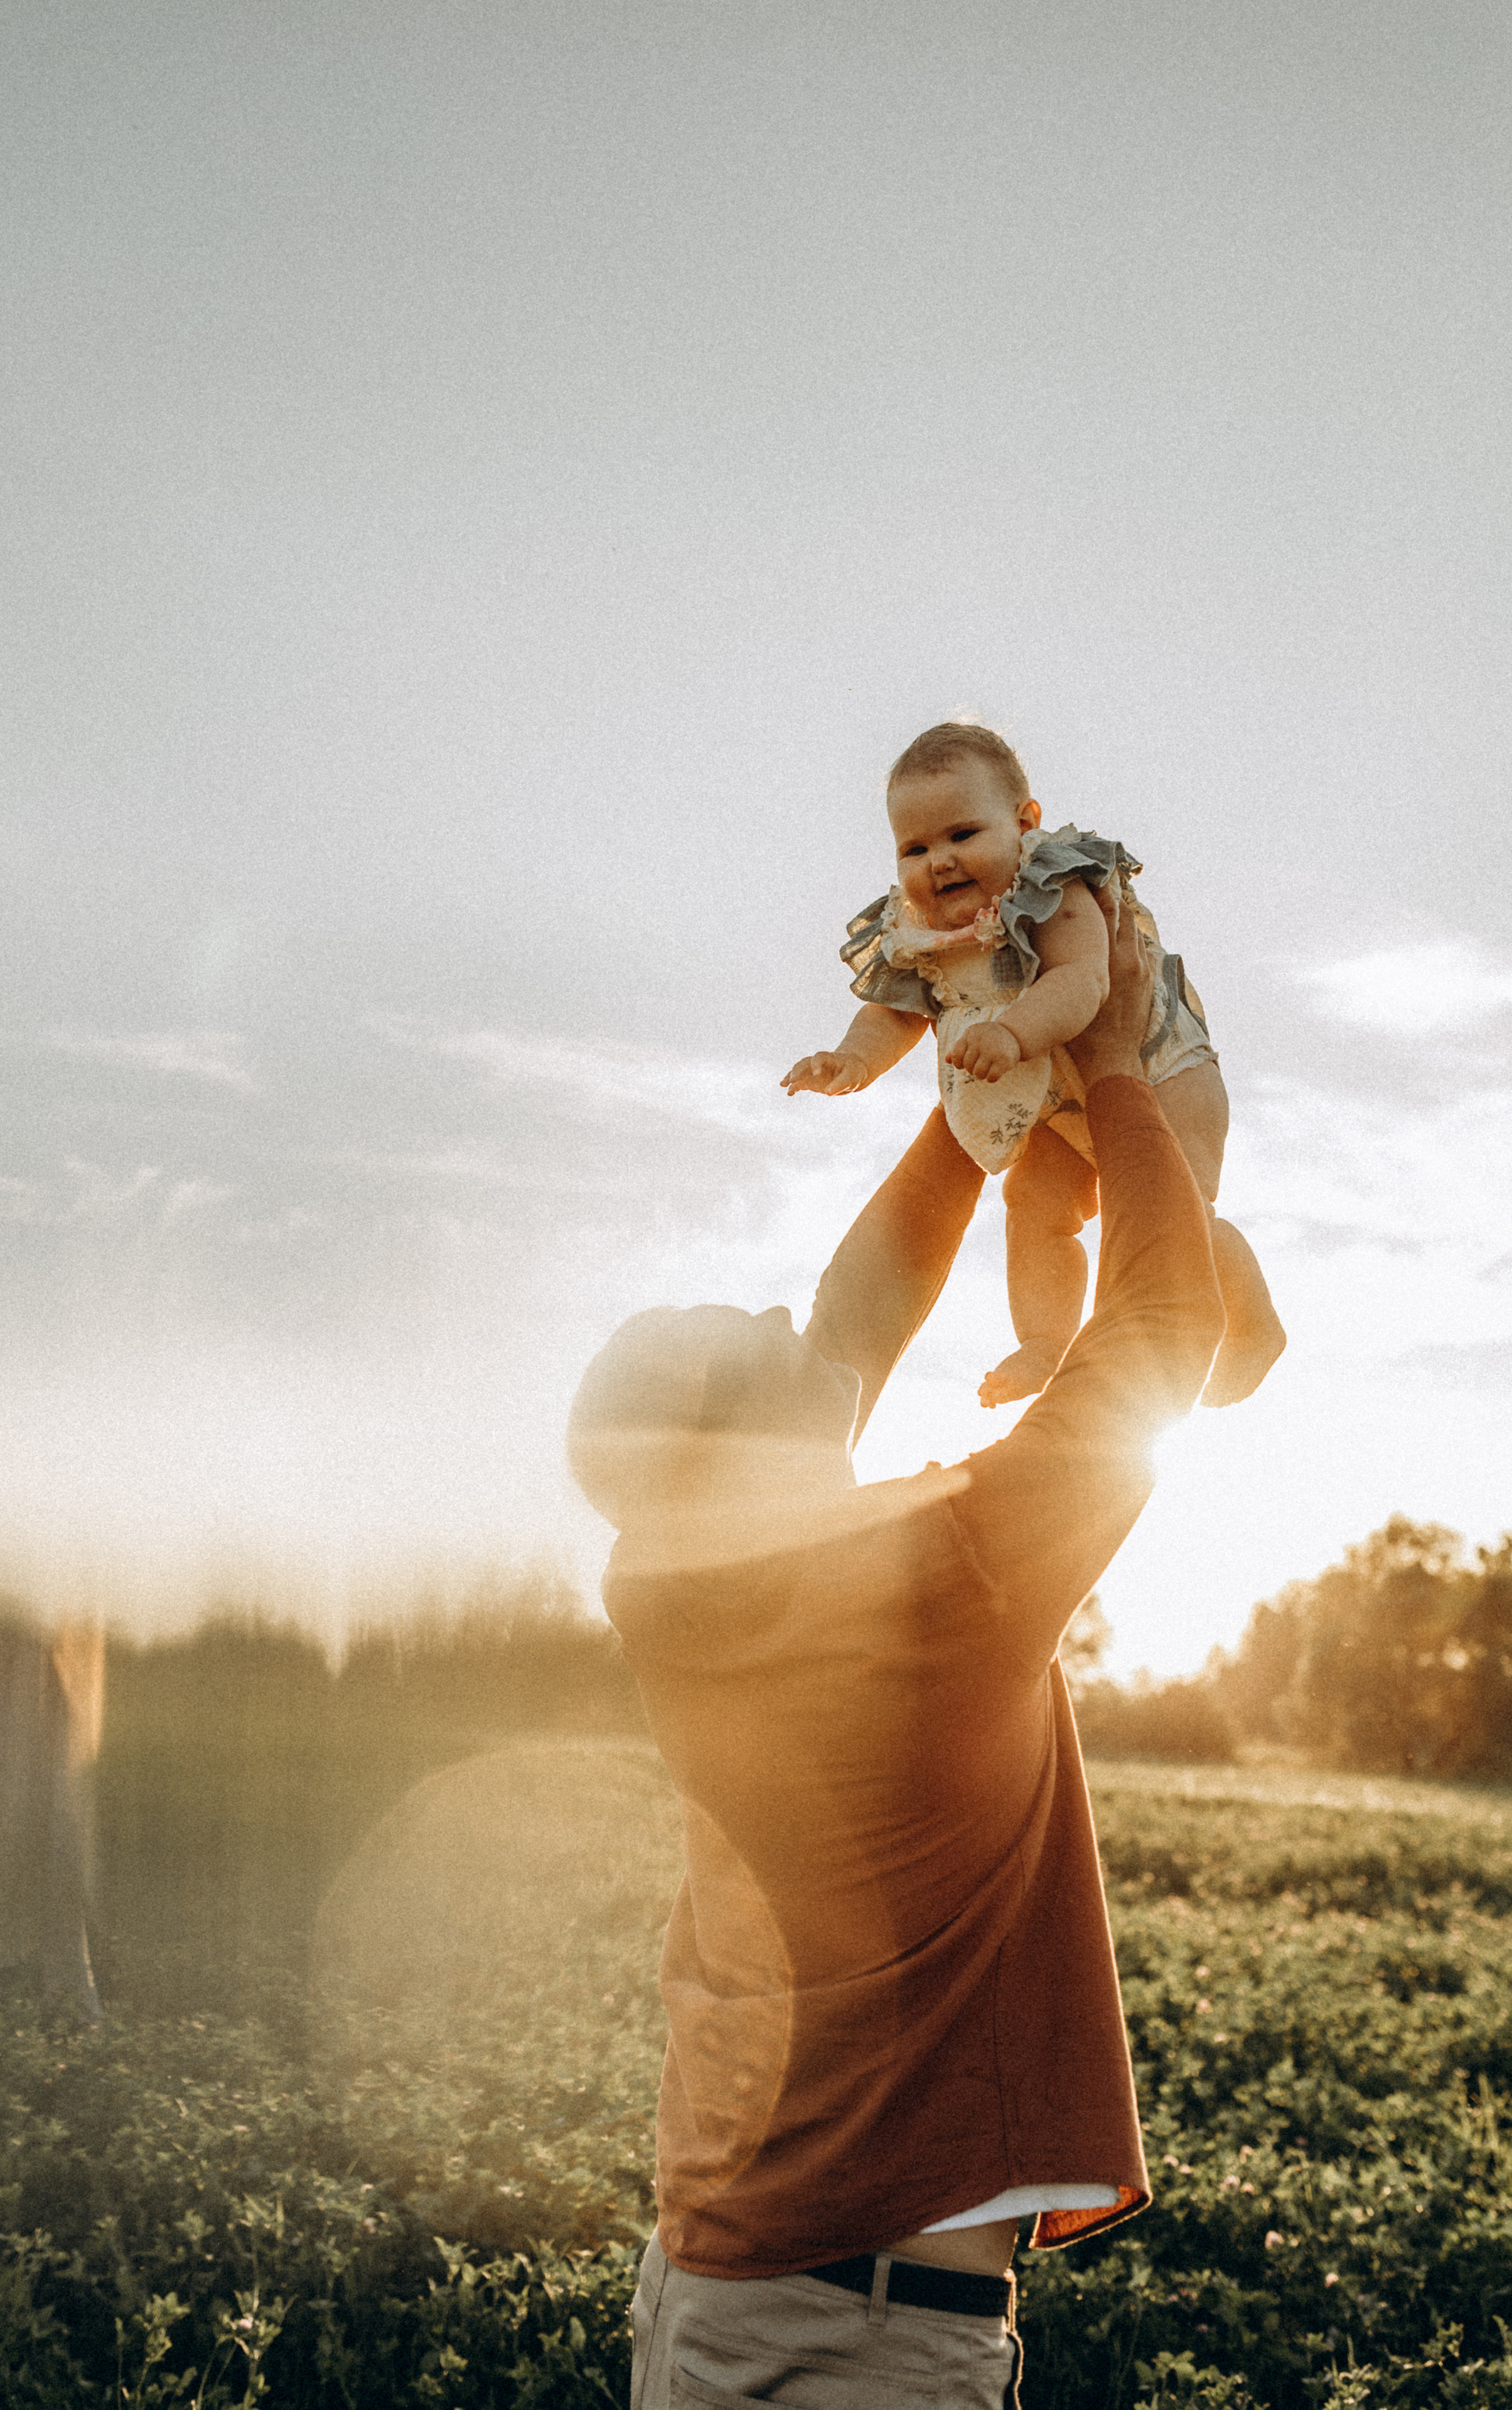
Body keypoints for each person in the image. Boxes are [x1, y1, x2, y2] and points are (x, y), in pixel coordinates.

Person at [566, 897, 1226, 2408]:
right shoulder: (945, 1583)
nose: (772, 1304)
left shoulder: (667, 1587)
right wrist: (1111, 1061)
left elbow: (856, 1307)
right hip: (862, 2342)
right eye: (739, 1336)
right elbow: (1155, 1335)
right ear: (745, 1452)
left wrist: (981, 1085)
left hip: (715, 2287)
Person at [782, 719, 1284, 1410]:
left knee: (1172, 1212)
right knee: (1033, 1208)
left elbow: (1084, 981)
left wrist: (1013, 1035)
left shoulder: (1049, 883)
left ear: (1024, 823)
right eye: (915, 847)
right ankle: (1046, 1342)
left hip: (1157, 1064)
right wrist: (850, 1061)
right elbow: (895, 1012)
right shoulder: (920, 931)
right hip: (1052, 1094)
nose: (939, 861)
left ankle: (1252, 1326)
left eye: (963, 835)